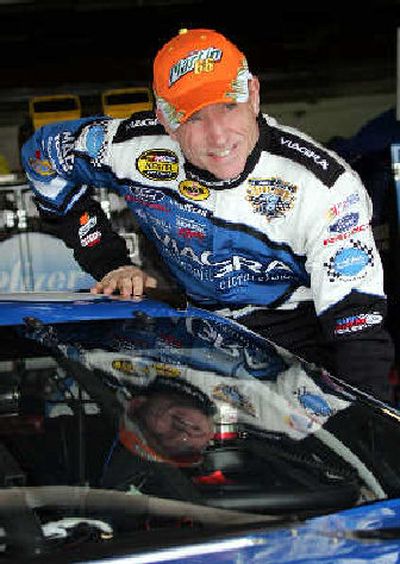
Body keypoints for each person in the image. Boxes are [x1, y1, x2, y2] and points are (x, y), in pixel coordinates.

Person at [20, 28, 394, 401]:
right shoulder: (129, 148)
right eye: (193, 116)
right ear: (165, 121)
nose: (218, 136)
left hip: (301, 358)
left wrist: (370, 437)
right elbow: (41, 156)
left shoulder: (323, 187)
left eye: (229, 106)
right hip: (194, 350)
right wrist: (107, 262)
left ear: (254, 95)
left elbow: (358, 331)